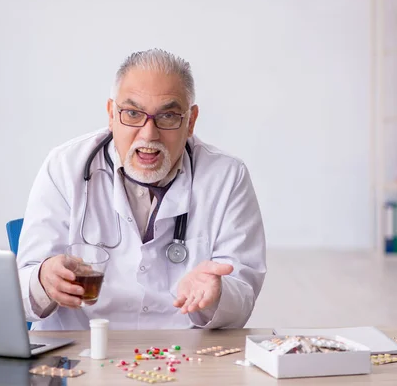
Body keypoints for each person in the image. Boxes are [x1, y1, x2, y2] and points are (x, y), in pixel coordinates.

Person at [16, 49, 266, 330]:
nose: (149, 134)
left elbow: (243, 295)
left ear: (191, 121)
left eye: (168, 116)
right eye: (133, 114)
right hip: (79, 353)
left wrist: (216, 294)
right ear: (111, 114)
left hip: (183, 358)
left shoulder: (226, 177)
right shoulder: (64, 166)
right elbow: (22, 295)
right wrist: (43, 279)